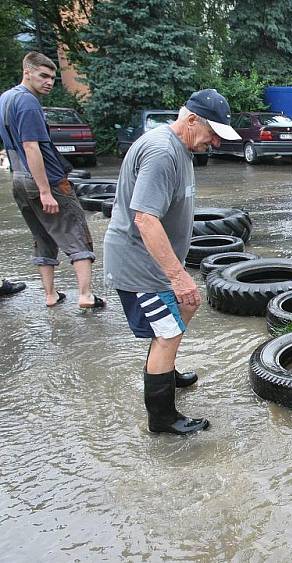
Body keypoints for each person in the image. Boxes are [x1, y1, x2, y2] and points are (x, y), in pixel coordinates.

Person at [103, 89, 240, 435]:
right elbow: (145, 219)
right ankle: (162, 418)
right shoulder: (163, 152)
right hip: (141, 266)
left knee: (187, 306)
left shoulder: (182, 148)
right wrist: (178, 276)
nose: (216, 143)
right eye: (213, 134)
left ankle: (167, 371)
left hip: (157, 263)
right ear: (192, 119)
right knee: (168, 331)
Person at [0, 52, 103, 309]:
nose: (49, 82)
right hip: (47, 180)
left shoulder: (5, 98)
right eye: (43, 76)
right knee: (77, 232)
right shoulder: (28, 102)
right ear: (27, 72)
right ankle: (86, 295)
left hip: (18, 180)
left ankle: (50, 295)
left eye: (53, 78)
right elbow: (31, 146)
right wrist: (45, 190)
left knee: (42, 235)